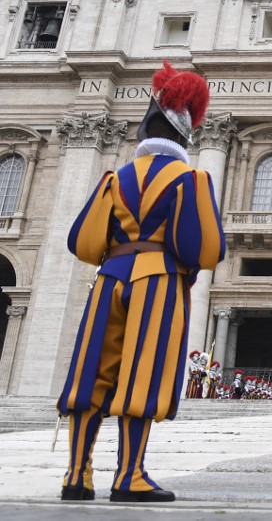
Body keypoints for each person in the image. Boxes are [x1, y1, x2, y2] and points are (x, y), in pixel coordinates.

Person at [56, 60, 225, 503]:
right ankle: (129, 476)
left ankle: (77, 474)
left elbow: (83, 241)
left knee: (92, 372)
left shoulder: (114, 178)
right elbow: (203, 249)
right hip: (159, 283)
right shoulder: (192, 178)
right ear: (185, 137)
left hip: (109, 279)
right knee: (143, 374)